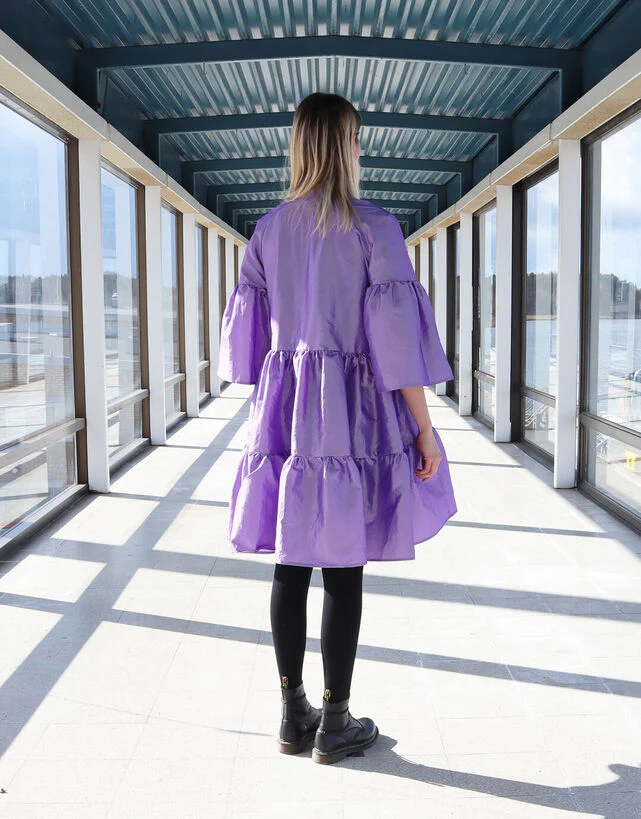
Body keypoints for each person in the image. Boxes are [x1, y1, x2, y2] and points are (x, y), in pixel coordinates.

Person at [217, 92, 457, 765]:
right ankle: (335, 720)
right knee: (343, 566)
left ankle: (292, 714)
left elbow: (242, 351)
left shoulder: (266, 229)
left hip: (288, 406)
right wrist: (423, 429)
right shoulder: (374, 227)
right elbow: (396, 344)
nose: (361, 148)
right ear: (344, 143)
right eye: (356, 137)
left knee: (291, 559)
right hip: (352, 410)